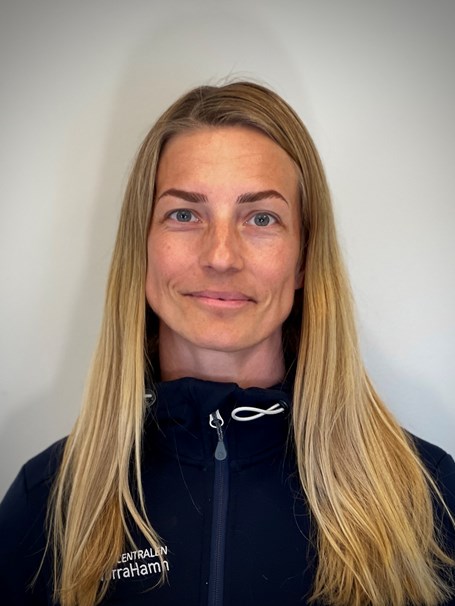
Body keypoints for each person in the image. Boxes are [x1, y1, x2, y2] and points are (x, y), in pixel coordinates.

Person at [0, 81, 454, 606]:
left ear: (304, 257)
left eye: (261, 218)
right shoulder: (48, 501)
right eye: (184, 214)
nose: (220, 257)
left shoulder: (426, 496)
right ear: (142, 247)